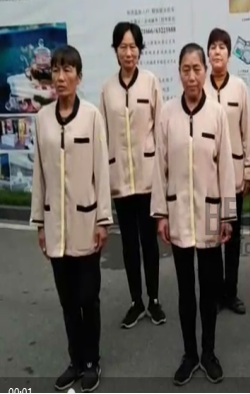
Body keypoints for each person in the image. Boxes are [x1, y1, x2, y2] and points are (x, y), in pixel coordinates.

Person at [151, 43, 236, 386]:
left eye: (197, 69)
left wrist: (228, 215)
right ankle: (189, 354)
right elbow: (160, 167)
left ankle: (209, 352)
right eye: (185, 69)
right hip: (178, 213)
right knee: (186, 291)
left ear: (205, 71)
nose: (191, 76)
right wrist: (161, 213)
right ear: (179, 73)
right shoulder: (167, 114)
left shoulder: (216, 113)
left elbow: (226, 168)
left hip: (211, 213)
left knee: (209, 289)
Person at [30, 45, 113, 393]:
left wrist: (103, 220)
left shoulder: (92, 117)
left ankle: (92, 360)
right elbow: (39, 174)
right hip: (55, 225)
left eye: (68, 70)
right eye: (56, 70)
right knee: (67, 300)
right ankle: (75, 359)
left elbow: (101, 172)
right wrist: (39, 222)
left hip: (86, 223)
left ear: (79, 76)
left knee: (87, 298)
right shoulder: (41, 119)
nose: (61, 77)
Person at [99, 21, 166, 329]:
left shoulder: (150, 83)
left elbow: (160, 130)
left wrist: (163, 172)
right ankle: (135, 301)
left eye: (133, 47)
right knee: (128, 244)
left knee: (149, 242)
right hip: (120, 179)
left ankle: (154, 299)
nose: (128, 53)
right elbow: (103, 135)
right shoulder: (107, 89)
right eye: (123, 47)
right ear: (115, 50)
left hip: (147, 177)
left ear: (140, 50)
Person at [204, 28, 250, 315]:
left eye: (222, 46)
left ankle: (231, 293)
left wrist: (249, 171)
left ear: (229, 52)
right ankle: (214, 293)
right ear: (208, 53)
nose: (217, 51)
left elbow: (247, 132)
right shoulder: (201, 88)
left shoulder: (239, 88)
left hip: (234, 176)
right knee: (212, 237)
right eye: (213, 46)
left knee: (233, 238)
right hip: (209, 177)